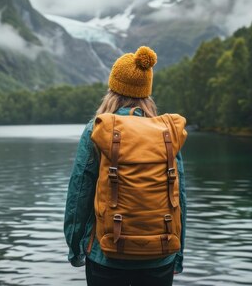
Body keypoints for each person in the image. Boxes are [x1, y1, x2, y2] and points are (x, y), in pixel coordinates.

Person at [64, 46, 186, 286]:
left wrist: (76, 246)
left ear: (112, 89)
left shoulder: (97, 130)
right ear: (147, 93)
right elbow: (179, 198)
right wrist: (178, 254)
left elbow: (79, 194)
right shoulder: (167, 133)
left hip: (105, 254)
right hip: (160, 254)